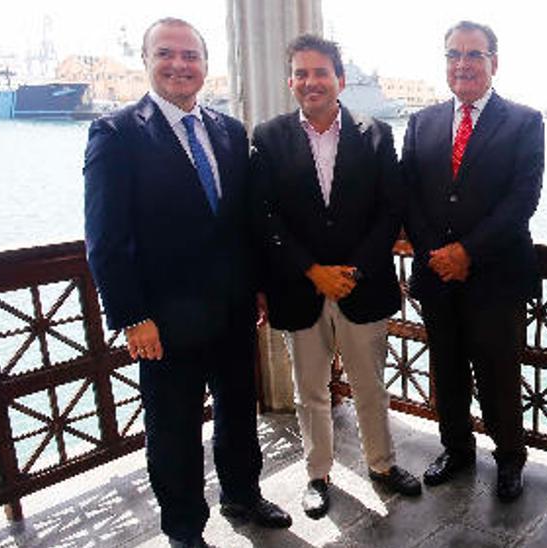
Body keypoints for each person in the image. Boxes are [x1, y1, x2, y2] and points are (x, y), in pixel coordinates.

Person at [83, 18, 290, 547]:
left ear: (205, 63)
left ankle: (243, 494)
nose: (179, 65)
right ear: (147, 61)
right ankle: (183, 529)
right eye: (166, 54)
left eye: (190, 55)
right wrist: (131, 316)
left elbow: (242, 223)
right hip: (164, 321)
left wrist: (260, 287)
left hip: (234, 309)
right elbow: (106, 238)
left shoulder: (228, 131)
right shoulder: (116, 133)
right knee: (173, 431)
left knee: (239, 411)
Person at [249, 34, 422, 521]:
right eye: (301, 73)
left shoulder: (375, 133)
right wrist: (311, 270)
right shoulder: (269, 136)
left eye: (320, 72)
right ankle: (318, 474)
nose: (311, 82)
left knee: (370, 386)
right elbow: (264, 216)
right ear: (291, 82)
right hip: (298, 286)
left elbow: (391, 210)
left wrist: (354, 270)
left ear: (339, 80)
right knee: (310, 391)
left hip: (361, 285)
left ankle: (382, 466)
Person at [400, 20, 543, 502]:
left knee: (499, 372)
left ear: (493, 63)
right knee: (448, 369)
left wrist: (468, 252)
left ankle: (509, 459)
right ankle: (457, 449)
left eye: (474, 55)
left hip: (496, 276)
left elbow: (522, 200)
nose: (462, 64)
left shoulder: (525, 121)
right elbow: (410, 197)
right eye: (453, 55)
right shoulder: (422, 123)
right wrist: (435, 254)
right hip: (437, 276)